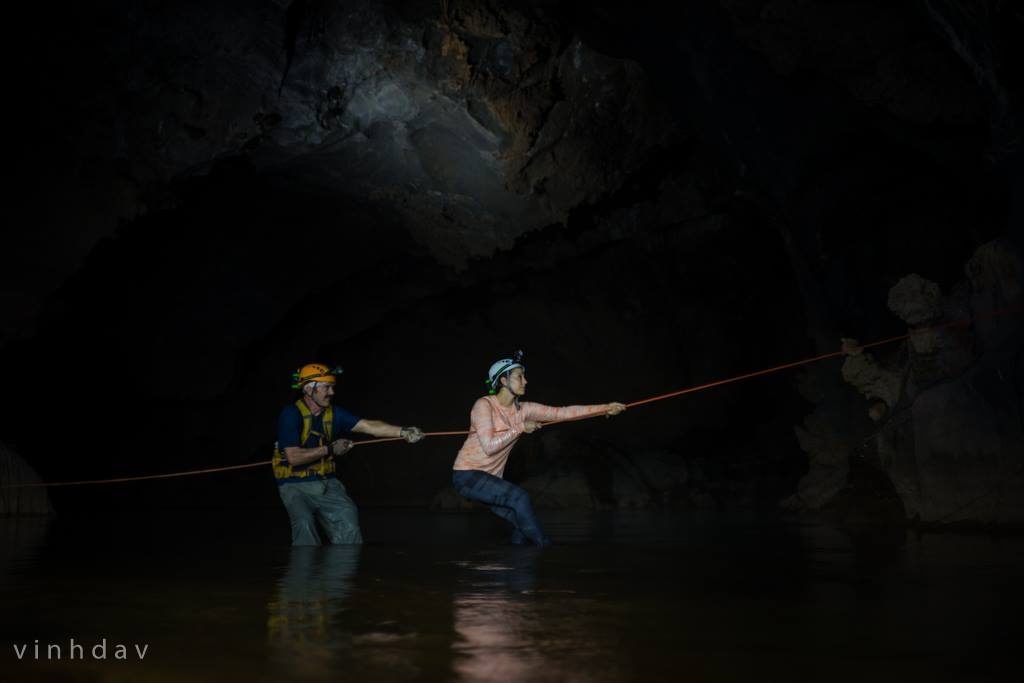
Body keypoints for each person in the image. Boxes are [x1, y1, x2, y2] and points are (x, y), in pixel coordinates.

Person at [451, 351, 626, 546]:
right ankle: (546, 549)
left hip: (489, 479)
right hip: (467, 476)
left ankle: (518, 567)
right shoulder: (483, 406)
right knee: (520, 497)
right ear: (503, 380)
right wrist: (520, 428)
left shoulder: (524, 409)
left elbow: (563, 413)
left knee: (520, 520)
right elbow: (490, 447)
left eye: (524, 376)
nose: (525, 381)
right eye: (519, 377)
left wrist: (605, 408)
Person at [273, 363, 425, 545]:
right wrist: (330, 449)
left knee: (348, 517)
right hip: (294, 485)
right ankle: (304, 570)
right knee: (304, 526)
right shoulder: (291, 415)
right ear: (308, 389)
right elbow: (293, 457)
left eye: (332, 387)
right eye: (326, 387)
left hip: (326, 482)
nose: (331, 392)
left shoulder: (334, 413)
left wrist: (403, 432)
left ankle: (343, 570)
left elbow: (368, 426)